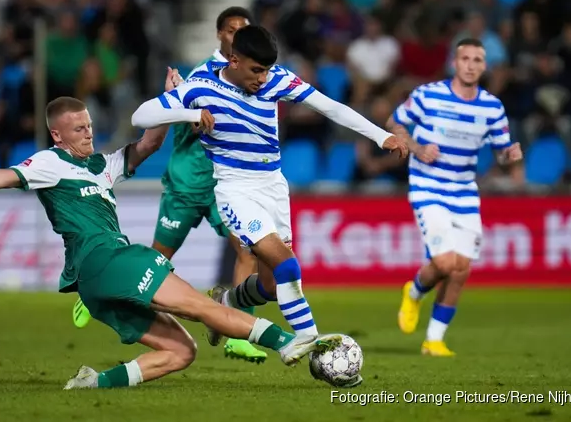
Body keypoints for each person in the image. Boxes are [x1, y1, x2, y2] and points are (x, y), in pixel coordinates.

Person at [0, 90, 340, 390]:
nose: (87, 133)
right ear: (57, 135)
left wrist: (176, 102)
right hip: (106, 260)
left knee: (180, 352)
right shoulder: (49, 163)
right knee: (204, 307)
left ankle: (93, 383)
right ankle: (290, 342)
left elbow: (147, 143)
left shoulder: (102, 167)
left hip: (97, 283)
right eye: (78, 129)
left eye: (89, 126)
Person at [131, 25, 408, 360]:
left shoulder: (277, 79)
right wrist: (190, 113)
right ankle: (309, 344)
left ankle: (226, 302)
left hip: (274, 186)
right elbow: (141, 114)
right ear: (233, 60)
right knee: (288, 266)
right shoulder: (201, 87)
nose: (262, 79)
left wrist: (382, 137)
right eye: (255, 70)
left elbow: (330, 107)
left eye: (266, 70)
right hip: (236, 190)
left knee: (270, 286)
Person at [71, 7, 270, 363]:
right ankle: (96, 292)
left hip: (223, 186)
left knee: (248, 250)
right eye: (230, 30)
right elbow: (188, 121)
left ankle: (238, 333)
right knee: (158, 260)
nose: (236, 35)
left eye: (244, 30)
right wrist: (192, 114)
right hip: (185, 184)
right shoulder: (202, 75)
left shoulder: (251, 78)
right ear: (219, 35)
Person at [389, 38, 523, 356]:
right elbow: (394, 123)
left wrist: (509, 155)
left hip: (464, 191)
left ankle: (434, 340)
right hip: (428, 185)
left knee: (461, 268)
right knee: (445, 261)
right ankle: (416, 291)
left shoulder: (491, 106)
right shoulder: (428, 95)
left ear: (484, 66)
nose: (471, 64)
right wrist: (418, 148)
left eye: (478, 59)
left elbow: (502, 153)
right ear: (455, 62)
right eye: (466, 58)